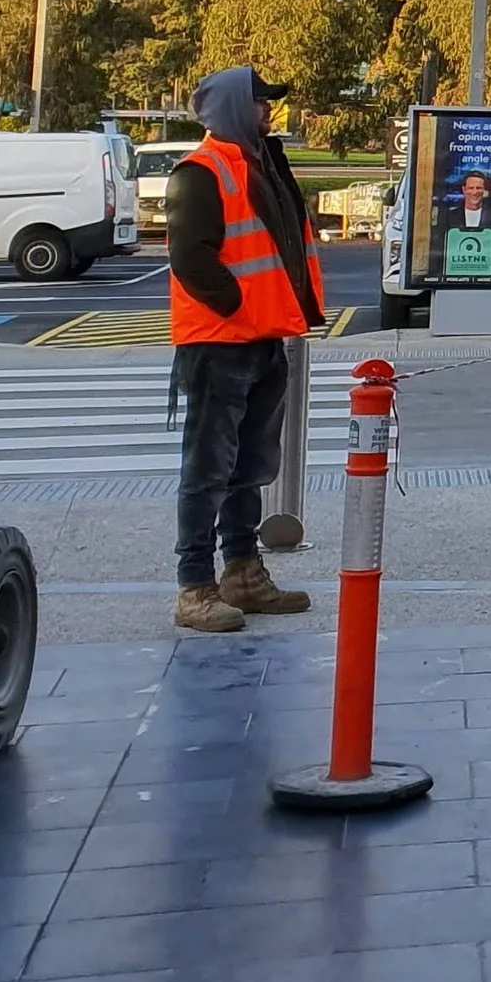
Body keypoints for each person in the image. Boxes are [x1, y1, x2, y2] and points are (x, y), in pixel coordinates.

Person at [167, 65, 323, 634]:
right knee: (208, 469)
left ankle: (242, 573)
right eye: (260, 102)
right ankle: (194, 587)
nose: (268, 111)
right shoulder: (201, 172)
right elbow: (191, 259)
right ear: (235, 107)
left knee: (249, 466)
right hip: (218, 344)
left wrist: (268, 317)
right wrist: (239, 308)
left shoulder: (260, 163)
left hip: (261, 338)